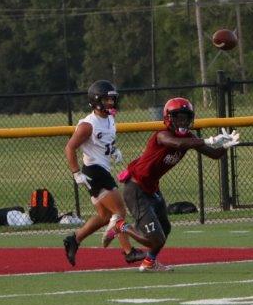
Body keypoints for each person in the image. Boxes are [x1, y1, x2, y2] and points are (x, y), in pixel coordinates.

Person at [119, 97, 240, 272]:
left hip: (152, 188)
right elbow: (178, 143)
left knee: (165, 228)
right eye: (177, 117)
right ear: (168, 118)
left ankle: (149, 262)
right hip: (136, 188)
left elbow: (213, 155)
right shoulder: (162, 134)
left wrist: (225, 146)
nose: (182, 121)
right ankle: (120, 226)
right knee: (156, 239)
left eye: (185, 117)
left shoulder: (189, 137)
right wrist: (209, 140)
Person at [62, 80, 147, 267]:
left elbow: (105, 141)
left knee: (105, 216)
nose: (111, 103)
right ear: (96, 101)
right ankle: (128, 251)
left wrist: (114, 150)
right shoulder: (88, 125)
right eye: (107, 100)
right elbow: (69, 148)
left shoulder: (109, 119)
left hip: (101, 169)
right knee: (119, 211)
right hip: (94, 171)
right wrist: (76, 173)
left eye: (112, 99)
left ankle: (74, 239)